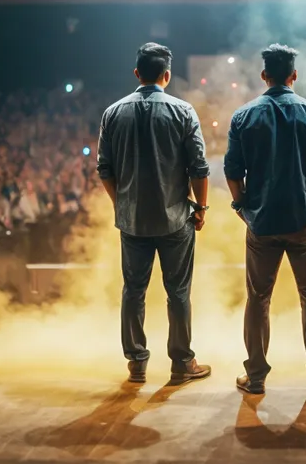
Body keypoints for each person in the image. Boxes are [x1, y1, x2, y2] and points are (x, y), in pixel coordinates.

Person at [224, 43, 306, 395]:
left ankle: (256, 377)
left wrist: (242, 207)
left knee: (258, 298)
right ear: (294, 75)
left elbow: (233, 171)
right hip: (305, 221)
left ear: (264, 75)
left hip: (260, 223)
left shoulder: (243, 116)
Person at [97, 42, 211, 385]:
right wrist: (201, 208)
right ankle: (181, 364)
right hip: (175, 217)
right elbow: (200, 168)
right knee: (178, 292)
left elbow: (104, 169)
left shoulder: (113, 112)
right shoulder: (183, 111)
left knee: (133, 290)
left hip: (132, 220)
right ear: (167, 75)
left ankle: (137, 364)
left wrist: (122, 203)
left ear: (136, 74)